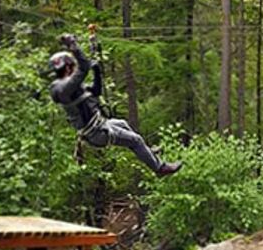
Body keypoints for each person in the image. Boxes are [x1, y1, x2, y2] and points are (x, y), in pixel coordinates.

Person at [49, 34, 182, 176]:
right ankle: (160, 168)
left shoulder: (73, 88)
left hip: (101, 126)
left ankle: (146, 152)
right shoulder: (62, 89)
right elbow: (83, 67)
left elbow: (96, 91)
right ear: (68, 67)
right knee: (135, 140)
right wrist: (73, 46)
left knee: (123, 124)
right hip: (97, 133)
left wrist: (97, 72)